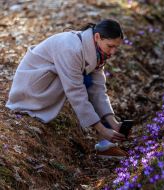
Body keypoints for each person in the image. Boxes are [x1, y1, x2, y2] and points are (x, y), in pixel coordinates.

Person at [6, 19, 129, 158]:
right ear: (97, 37)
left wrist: (114, 123)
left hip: (47, 80)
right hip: (30, 88)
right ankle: (104, 143)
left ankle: (105, 145)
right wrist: (101, 128)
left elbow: (98, 89)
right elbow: (76, 92)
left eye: (116, 47)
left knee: (91, 83)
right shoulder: (71, 48)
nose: (113, 52)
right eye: (110, 46)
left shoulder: (98, 51)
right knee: (84, 81)